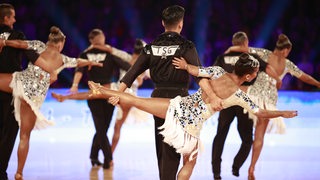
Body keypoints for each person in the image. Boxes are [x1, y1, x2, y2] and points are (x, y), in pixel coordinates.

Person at [87, 53, 297, 180]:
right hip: (191, 125)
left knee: (136, 100)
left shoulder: (216, 70)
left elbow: (195, 71)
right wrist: (283, 113)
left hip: (179, 106)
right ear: (250, 76)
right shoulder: (239, 95)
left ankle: (101, 90)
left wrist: (185, 66)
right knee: (189, 163)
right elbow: (261, 112)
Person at [0, 26, 102, 180]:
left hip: (21, 83)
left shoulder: (38, 45)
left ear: (49, 41)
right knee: (24, 137)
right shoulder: (63, 59)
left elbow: (20, 44)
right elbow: (78, 62)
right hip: (34, 97)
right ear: (60, 44)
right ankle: (19, 173)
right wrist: (92, 62)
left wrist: (4, 42)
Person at [113, 5, 202, 180]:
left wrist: (118, 94)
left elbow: (131, 74)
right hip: (180, 102)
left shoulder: (150, 48)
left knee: (163, 149)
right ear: (180, 24)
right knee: (174, 150)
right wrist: (209, 97)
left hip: (157, 101)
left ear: (163, 23)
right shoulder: (186, 46)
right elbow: (199, 75)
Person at [226, 34, 320, 180]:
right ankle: (252, 168)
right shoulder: (287, 64)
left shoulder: (263, 53)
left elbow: (243, 49)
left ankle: (241, 162)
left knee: (246, 133)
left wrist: (230, 49)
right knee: (259, 136)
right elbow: (304, 76)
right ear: (286, 50)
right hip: (268, 104)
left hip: (252, 98)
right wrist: (318, 84)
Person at [51, 28, 131, 169]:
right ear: (97, 39)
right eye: (101, 38)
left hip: (102, 93)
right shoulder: (104, 53)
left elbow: (79, 70)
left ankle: (94, 156)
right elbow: (128, 65)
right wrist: (122, 83)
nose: (103, 40)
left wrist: (75, 85)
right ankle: (108, 159)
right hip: (101, 92)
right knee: (101, 129)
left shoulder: (89, 53)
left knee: (102, 129)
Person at [211, 31, 281, 180]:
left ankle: (216, 172)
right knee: (247, 139)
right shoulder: (251, 58)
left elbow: (214, 74)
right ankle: (236, 166)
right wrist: (278, 80)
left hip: (226, 101)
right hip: (243, 100)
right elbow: (269, 69)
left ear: (233, 43)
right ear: (245, 43)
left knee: (220, 136)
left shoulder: (223, 57)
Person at [0, 3, 39, 180]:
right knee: (9, 133)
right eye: (13, 16)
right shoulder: (17, 36)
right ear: (6, 18)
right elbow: (32, 55)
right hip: (10, 90)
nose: (15, 19)